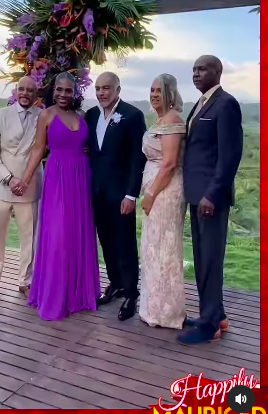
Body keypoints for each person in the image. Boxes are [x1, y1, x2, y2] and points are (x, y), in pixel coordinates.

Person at [13, 72, 100, 321]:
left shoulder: (81, 116)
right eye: (59, 90)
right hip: (58, 177)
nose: (63, 95)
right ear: (53, 90)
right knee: (59, 234)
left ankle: (79, 293)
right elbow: (39, 148)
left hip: (81, 177)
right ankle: (56, 295)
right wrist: (26, 179)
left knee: (79, 232)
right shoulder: (46, 115)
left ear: (75, 93)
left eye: (68, 91)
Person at [178, 55, 243, 345]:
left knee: (211, 260)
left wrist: (212, 194)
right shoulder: (203, 102)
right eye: (193, 69)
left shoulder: (226, 104)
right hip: (197, 194)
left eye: (202, 69)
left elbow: (229, 156)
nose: (196, 74)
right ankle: (215, 314)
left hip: (209, 198)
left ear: (218, 72)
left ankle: (209, 325)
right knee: (203, 257)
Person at [0, 76, 42, 308]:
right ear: (15, 91)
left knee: (30, 240)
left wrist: (24, 180)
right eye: (21, 89)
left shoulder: (43, 117)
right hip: (0, 187)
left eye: (30, 90)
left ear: (36, 93)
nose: (25, 93)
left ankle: (26, 281)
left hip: (30, 187)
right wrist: (10, 179)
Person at [85, 72, 146, 321]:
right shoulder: (91, 115)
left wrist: (131, 195)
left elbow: (137, 159)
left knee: (125, 243)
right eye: (98, 88)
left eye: (107, 88)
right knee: (106, 242)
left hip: (121, 194)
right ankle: (116, 283)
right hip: (96, 192)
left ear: (118, 90)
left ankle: (131, 292)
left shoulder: (132, 116)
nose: (101, 92)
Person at [140, 74, 186, 329]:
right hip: (156, 190)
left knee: (164, 248)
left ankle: (167, 312)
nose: (155, 94)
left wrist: (150, 194)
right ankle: (153, 308)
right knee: (153, 248)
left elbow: (168, 164)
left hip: (165, 192)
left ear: (170, 93)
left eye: (160, 90)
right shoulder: (159, 120)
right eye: (152, 89)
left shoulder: (172, 120)